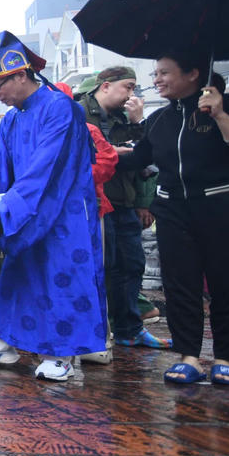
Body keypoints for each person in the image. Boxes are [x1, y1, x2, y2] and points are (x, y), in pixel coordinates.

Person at [0, 31, 106, 381]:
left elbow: (48, 168)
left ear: (21, 74)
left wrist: (12, 207)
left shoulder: (61, 108)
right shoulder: (13, 119)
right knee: (17, 273)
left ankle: (62, 354)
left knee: (62, 276)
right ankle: (1, 342)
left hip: (63, 213)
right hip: (25, 207)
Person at [117, 50, 229, 385]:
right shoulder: (159, 119)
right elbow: (140, 159)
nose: (156, 80)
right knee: (181, 286)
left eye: (164, 73)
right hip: (173, 211)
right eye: (155, 74)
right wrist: (99, 152)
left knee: (228, 285)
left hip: (222, 207)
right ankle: (189, 357)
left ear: (193, 74)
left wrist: (220, 113)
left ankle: (225, 358)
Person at [79, 66, 166, 352]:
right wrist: (111, 153)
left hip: (126, 201)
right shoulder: (78, 112)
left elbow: (146, 160)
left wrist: (138, 123)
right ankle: (96, 331)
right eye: (128, 86)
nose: (132, 93)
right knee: (101, 267)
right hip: (93, 204)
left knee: (132, 265)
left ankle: (130, 329)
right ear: (105, 85)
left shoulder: (125, 117)